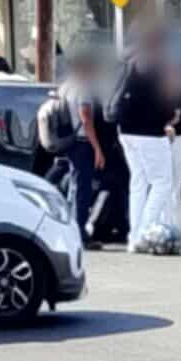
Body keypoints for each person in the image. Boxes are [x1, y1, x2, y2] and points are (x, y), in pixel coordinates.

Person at [108, 27, 181, 254]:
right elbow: (165, 101)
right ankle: (144, 234)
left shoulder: (131, 63)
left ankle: (134, 235)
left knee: (139, 182)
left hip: (126, 131)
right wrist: (172, 116)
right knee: (162, 182)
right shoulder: (159, 65)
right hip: (149, 133)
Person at [59, 51, 108, 250]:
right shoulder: (83, 88)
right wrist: (97, 148)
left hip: (69, 142)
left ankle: (70, 229)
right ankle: (80, 233)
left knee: (73, 187)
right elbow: (86, 118)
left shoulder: (65, 86)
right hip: (82, 143)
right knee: (82, 190)